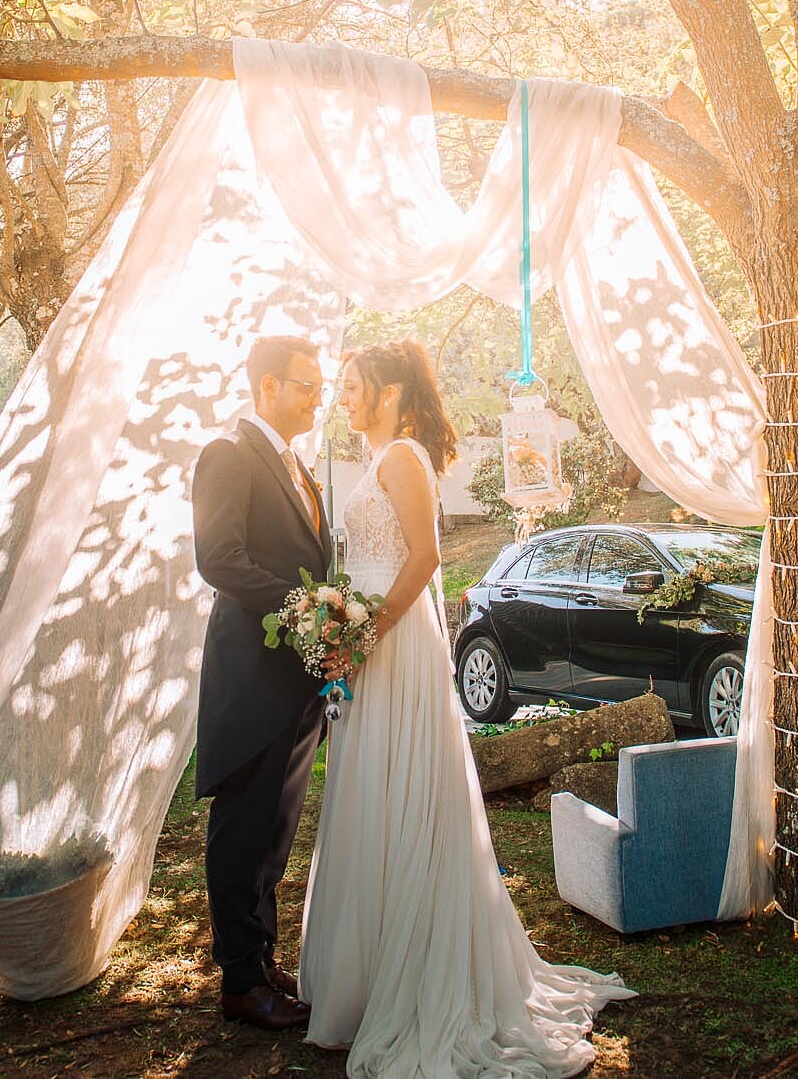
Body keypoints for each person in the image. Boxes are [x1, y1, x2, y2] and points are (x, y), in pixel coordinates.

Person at [302, 338, 633, 1077]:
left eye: (354, 386)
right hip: (370, 638)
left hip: (393, 638)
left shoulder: (403, 459)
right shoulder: (380, 457)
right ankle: (368, 977)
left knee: (405, 794)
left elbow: (422, 560)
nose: (344, 398)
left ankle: (412, 975)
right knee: (370, 792)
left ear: (389, 392)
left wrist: (362, 632)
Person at [190, 334, 332, 1030]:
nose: (317, 396)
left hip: (297, 681)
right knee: (242, 829)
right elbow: (219, 558)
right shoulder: (227, 455)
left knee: (275, 833)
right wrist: (303, 607)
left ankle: (262, 958)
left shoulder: (299, 466)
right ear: (268, 386)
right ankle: (241, 983)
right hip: (251, 677)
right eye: (306, 384)